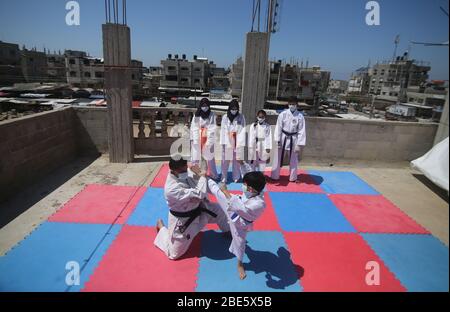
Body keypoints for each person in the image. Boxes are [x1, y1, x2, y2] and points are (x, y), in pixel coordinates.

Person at [154, 156, 229, 260]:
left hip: (201, 210)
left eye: (186, 168)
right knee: (174, 254)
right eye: (183, 170)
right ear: (173, 170)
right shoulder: (171, 189)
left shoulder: (185, 170)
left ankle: (227, 231)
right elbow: (200, 193)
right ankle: (161, 228)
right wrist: (202, 176)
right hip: (184, 221)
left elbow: (202, 188)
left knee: (220, 212)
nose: (186, 171)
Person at [207, 160, 266, 280]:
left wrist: (226, 191)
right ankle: (204, 177)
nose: (243, 185)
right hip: (233, 204)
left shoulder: (259, 204)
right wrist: (242, 164)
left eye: (245, 184)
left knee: (240, 243)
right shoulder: (255, 187)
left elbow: (240, 208)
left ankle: (239, 263)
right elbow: (249, 174)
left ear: (250, 189)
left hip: (240, 222)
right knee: (217, 192)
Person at [270, 97, 306, 182]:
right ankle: (275, 176)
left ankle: (293, 177)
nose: (291, 106)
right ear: (288, 105)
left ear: (297, 105)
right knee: (277, 157)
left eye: (293, 104)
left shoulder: (300, 116)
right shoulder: (283, 114)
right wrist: (278, 140)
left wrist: (299, 144)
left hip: (294, 138)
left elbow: (301, 130)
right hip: (283, 137)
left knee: (294, 158)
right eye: (290, 104)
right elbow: (278, 127)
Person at [190, 98, 219, 179]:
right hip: (198, 136)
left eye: (206, 105)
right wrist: (195, 139)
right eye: (203, 106)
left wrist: (209, 141)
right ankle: (195, 174)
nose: (205, 107)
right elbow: (194, 127)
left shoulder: (212, 114)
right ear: (200, 106)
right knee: (195, 156)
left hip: (208, 136)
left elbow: (212, 127)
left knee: (210, 157)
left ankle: (213, 174)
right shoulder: (196, 114)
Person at [220, 99, 246, 183]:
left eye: (236, 108)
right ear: (229, 108)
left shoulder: (241, 117)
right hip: (227, 139)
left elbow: (243, 129)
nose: (234, 110)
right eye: (232, 108)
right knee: (225, 161)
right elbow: (223, 130)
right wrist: (225, 143)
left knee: (236, 159)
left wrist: (240, 143)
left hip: (237, 139)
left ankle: (236, 177)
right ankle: (224, 177)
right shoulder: (225, 117)